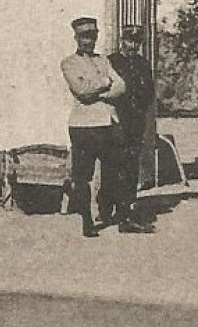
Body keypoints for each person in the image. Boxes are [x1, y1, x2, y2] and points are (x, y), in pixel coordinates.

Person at [60, 15, 127, 238]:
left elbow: (121, 86)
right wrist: (105, 83)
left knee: (113, 171)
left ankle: (108, 213)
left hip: (107, 122)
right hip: (83, 125)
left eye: (93, 36)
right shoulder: (69, 63)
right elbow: (81, 91)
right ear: (76, 38)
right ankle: (86, 220)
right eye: (84, 36)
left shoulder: (103, 61)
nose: (89, 41)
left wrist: (101, 89)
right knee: (82, 177)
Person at [106, 24, 157, 233]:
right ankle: (109, 209)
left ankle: (126, 209)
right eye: (129, 41)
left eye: (137, 42)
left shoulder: (143, 64)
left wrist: (140, 112)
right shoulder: (112, 62)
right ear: (122, 41)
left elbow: (149, 93)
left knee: (131, 166)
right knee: (114, 165)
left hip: (135, 121)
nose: (133, 45)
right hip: (116, 120)